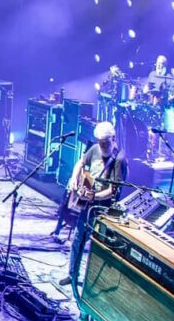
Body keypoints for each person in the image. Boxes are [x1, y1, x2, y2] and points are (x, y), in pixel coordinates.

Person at [54, 122, 128, 286]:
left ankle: (94, 283)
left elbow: (113, 191)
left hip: (103, 208)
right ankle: (73, 275)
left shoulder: (119, 160)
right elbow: (81, 163)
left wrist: (94, 197)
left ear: (113, 138)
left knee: (97, 247)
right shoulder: (95, 149)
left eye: (106, 143)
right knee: (78, 239)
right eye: (100, 143)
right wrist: (74, 179)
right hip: (88, 203)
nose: (102, 146)